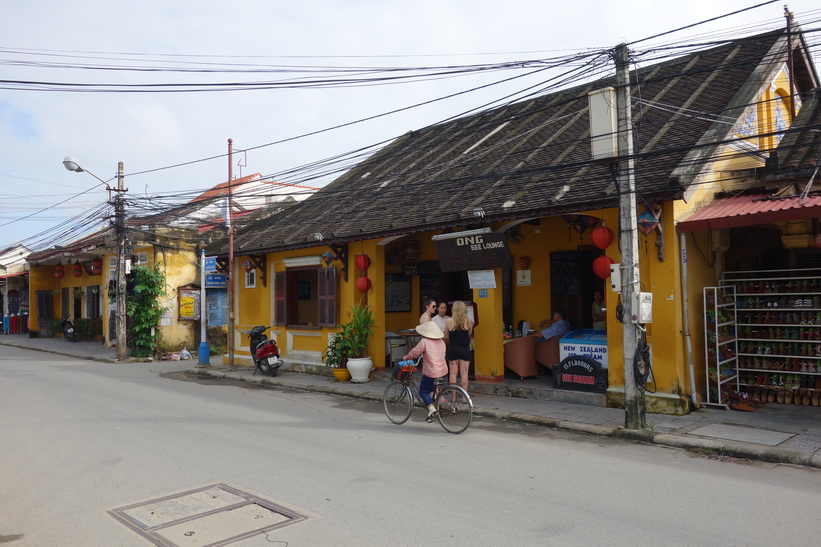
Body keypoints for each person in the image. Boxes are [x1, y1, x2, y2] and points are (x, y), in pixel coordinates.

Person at [403, 321, 448, 422]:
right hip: (443, 371)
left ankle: (431, 409)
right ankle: (434, 402)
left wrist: (406, 357)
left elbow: (415, 353)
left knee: (423, 391)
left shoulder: (425, 342)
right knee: (432, 388)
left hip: (431, 371)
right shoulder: (441, 342)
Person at [445, 300, 473, 394]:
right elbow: (469, 334)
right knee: (464, 373)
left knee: (453, 374)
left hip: (452, 348)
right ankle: (465, 398)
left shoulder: (448, 321)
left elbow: (446, 336)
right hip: (465, 349)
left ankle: (453, 397)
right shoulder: (468, 321)